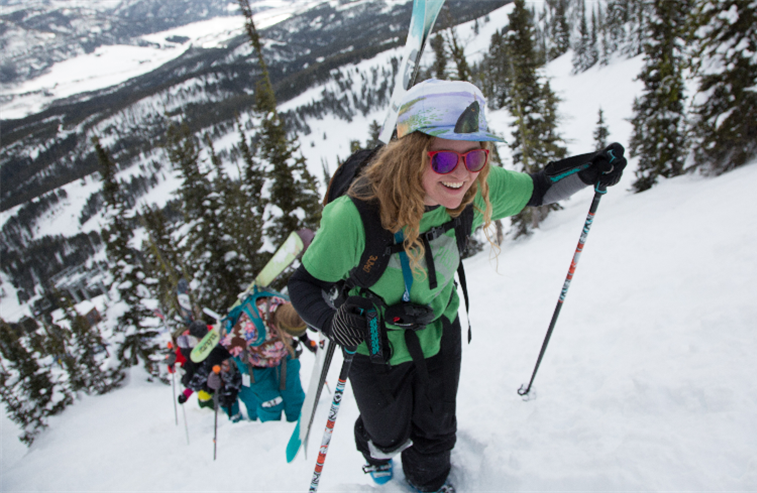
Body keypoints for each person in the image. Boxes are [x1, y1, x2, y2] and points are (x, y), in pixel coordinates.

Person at [287, 79, 626, 493]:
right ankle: (374, 453)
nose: (463, 174)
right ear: (410, 157)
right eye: (443, 160)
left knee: (437, 433)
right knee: (387, 434)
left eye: (477, 157)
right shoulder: (355, 217)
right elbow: (304, 282)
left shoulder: (474, 190)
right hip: (373, 342)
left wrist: (590, 170)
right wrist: (331, 321)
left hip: (439, 327)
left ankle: (428, 484)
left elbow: (538, 188)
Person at [220, 298, 308, 423]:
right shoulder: (250, 325)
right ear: (279, 326)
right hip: (258, 366)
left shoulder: (288, 308)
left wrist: (307, 341)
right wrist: (218, 370)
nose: (291, 336)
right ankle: (271, 432)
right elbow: (225, 347)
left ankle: (300, 424)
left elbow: (296, 325)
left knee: (294, 396)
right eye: (288, 333)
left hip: (284, 357)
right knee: (271, 403)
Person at [177, 321, 243, 421]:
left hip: (236, 377)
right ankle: (238, 422)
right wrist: (185, 394)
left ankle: (253, 421)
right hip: (221, 387)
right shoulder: (195, 353)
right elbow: (199, 375)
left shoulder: (218, 339)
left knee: (250, 402)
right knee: (231, 409)